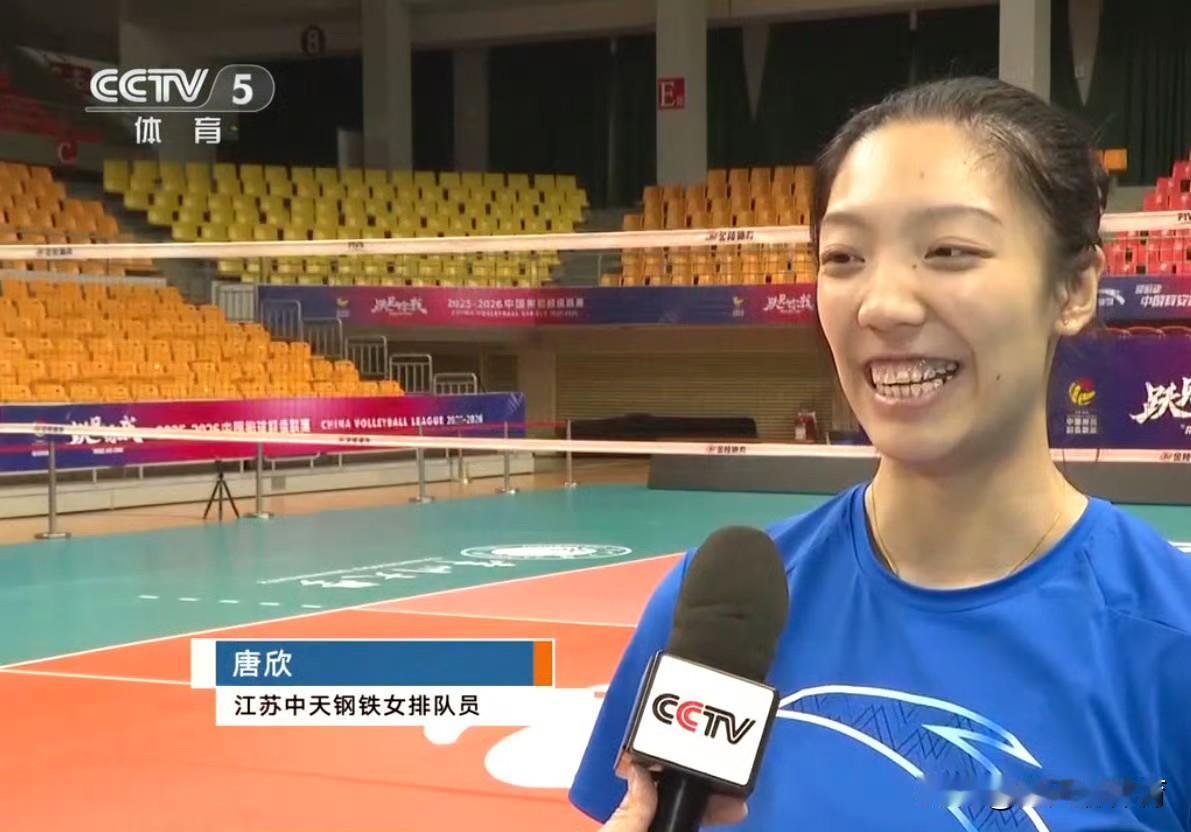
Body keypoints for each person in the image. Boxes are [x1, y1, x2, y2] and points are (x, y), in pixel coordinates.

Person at [575, 76, 1191, 832]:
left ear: (1073, 288)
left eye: (949, 250)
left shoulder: (1169, 637)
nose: (882, 305)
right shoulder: (716, 618)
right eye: (843, 257)